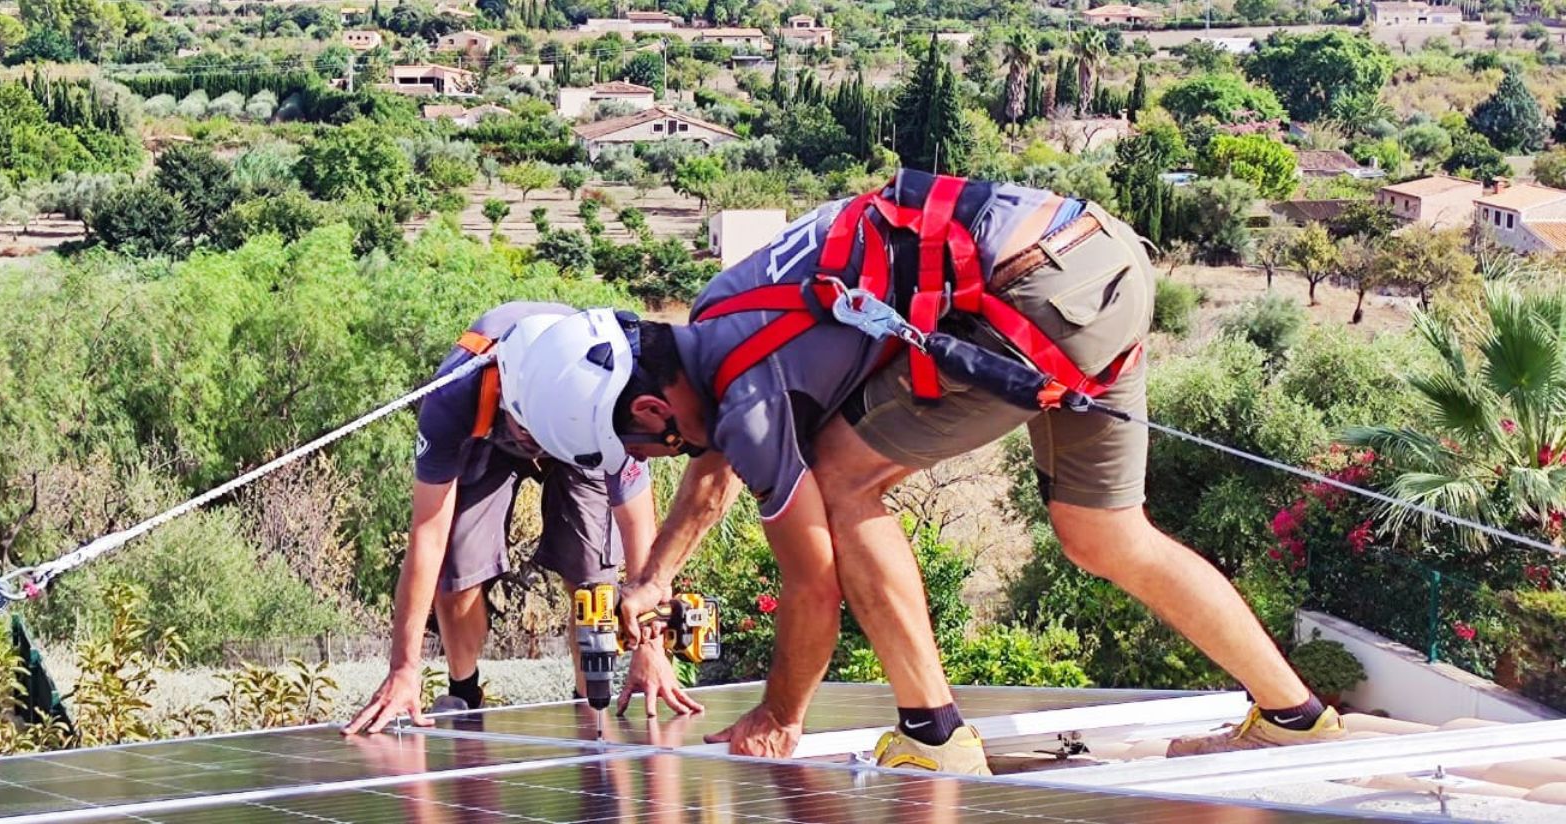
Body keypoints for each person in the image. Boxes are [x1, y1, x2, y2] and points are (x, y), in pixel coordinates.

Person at [510, 171, 1345, 774]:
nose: (658, 460)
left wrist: (779, 714)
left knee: (843, 483)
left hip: (1028, 296)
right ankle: (1293, 715)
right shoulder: (719, 319)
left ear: (650, 410)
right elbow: (719, 462)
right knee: (1106, 534)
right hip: (1101, 260)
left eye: (643, 447)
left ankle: (935, 736)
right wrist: (656, 574)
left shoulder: (744, 402)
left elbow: (813, 588)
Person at [344, 303, 702, 737]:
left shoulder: (605, 405)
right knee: (458, 573)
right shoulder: (454, 398)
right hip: (488, 438)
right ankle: (464, 690)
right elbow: (427, 536)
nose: (538, 447)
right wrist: (404, 668)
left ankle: (592, 707)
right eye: (533, 436)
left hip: (581, 437)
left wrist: (652, 648)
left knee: (594, 583)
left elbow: (638, 535)